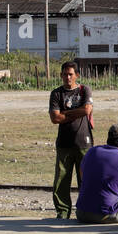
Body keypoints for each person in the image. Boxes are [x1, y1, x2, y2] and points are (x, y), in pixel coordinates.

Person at [49, 61, 93, 219]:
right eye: (65, 74)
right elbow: (55, 118)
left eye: (71, 74)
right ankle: (62, 212)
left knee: (85, 179)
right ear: (61, 75)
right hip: (64, 143)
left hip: (84, 142)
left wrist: (65, 114)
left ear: (77, 75)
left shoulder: (84, 90)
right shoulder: (56, 93)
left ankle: (85, 210)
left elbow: (87, 110)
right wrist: (77, 112)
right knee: (61, 179)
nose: (67, 77)